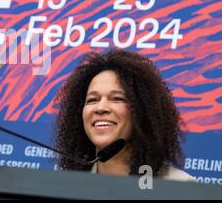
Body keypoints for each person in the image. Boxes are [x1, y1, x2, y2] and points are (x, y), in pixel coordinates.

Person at [54, 49, 195, 181]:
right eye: (92, 100)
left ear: (142, 111)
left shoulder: (178, 187)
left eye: (117, 98)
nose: (101, 108)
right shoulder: (69, 184)